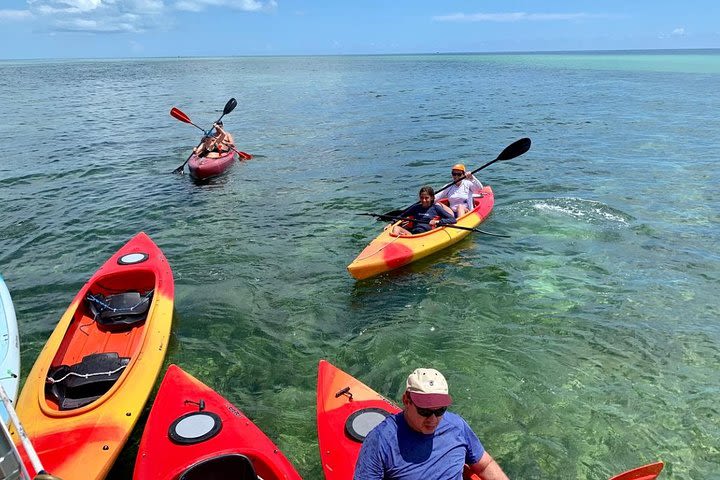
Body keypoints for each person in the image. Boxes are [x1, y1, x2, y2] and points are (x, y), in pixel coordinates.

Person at [354, 368, 509, 480]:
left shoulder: (457, 426)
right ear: (406, 400)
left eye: (440, 410)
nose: (433, 419)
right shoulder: (380, 440)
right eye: (425, 411)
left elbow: (485, 465)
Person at [391, 186, 457, 236]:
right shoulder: (415, 207)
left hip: (427, 235)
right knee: (396, 228)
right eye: (422, 198)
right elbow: (401, 216)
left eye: (426, 198)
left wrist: (437, 221)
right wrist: (392, 223)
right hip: (413, 235)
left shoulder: (436, 208)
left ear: (432, 198)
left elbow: (453, 219)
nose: (424, 200)